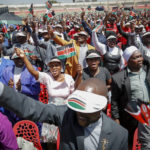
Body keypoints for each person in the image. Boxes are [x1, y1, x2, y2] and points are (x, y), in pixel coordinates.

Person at [0, 78, 128, 150]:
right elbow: (31, 108)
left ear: (103, 107)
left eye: (88, 109)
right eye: (79, 106)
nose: (80, 112)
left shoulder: (120, 135)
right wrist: (2, 91)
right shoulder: (67, 114)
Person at [111, 46, 150, 149]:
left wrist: (144, 57)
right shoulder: (118, 78)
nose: (140, 59)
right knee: (129, 143)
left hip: (147, 113)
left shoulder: (148, 71)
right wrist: (116, 118)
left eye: (141, 56)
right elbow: (114, 101)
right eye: (136, 57)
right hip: (130, 116)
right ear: (128, 60)